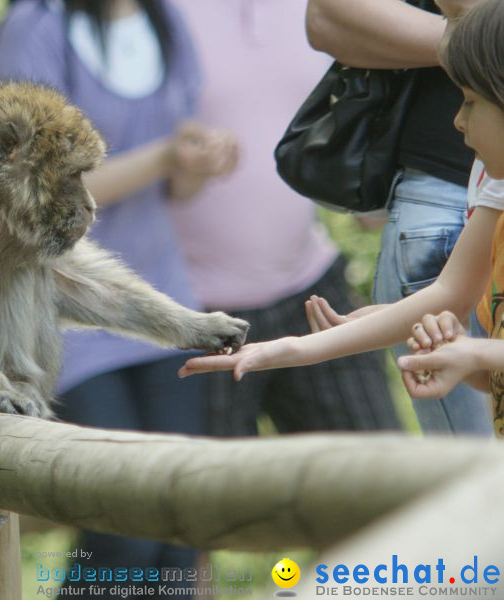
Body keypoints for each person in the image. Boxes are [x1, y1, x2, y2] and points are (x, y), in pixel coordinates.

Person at [0, 1, 237, 596]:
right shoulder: (38, 28)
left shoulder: (167, 22)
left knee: (182, 523)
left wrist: (199, 164)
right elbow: (31, 189)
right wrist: (163, 157)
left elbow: (176, 188)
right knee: (121, 532)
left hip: (161, 299)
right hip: (64, 310)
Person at [180, 0, 504, 433]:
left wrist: (474, 355)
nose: (458, 122)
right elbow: (450, 293)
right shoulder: (494, 186)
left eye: (470, 102)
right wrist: (297, 348)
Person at [168, 0, 401, 437]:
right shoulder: (151, 12)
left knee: (379, 479)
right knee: (214, 496)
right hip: (193, 313)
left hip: (309, 287)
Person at [303, 0, 493, 435]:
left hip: (452, 203)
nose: (459, 121)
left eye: (469, 102)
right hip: (448, 200)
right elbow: (327, 17)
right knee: (471, 478)